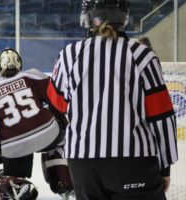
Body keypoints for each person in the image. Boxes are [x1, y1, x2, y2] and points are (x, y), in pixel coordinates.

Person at [50, 1, 178, 200]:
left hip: (83, 163)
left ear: (87, 16)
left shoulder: (68, 55)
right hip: (133, 159)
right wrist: (165, 167)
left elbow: (58, 102)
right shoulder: (143, 56)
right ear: (123, 17)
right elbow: (161, 116)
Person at [0, 48, 73, 200]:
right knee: (61, 144)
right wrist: (64, 126)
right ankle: (64, 184)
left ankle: (14, 186)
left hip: (13, 146)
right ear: (19, 64)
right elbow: (55, 100)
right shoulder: (33, 75)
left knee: (12, 177)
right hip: (48, 134)